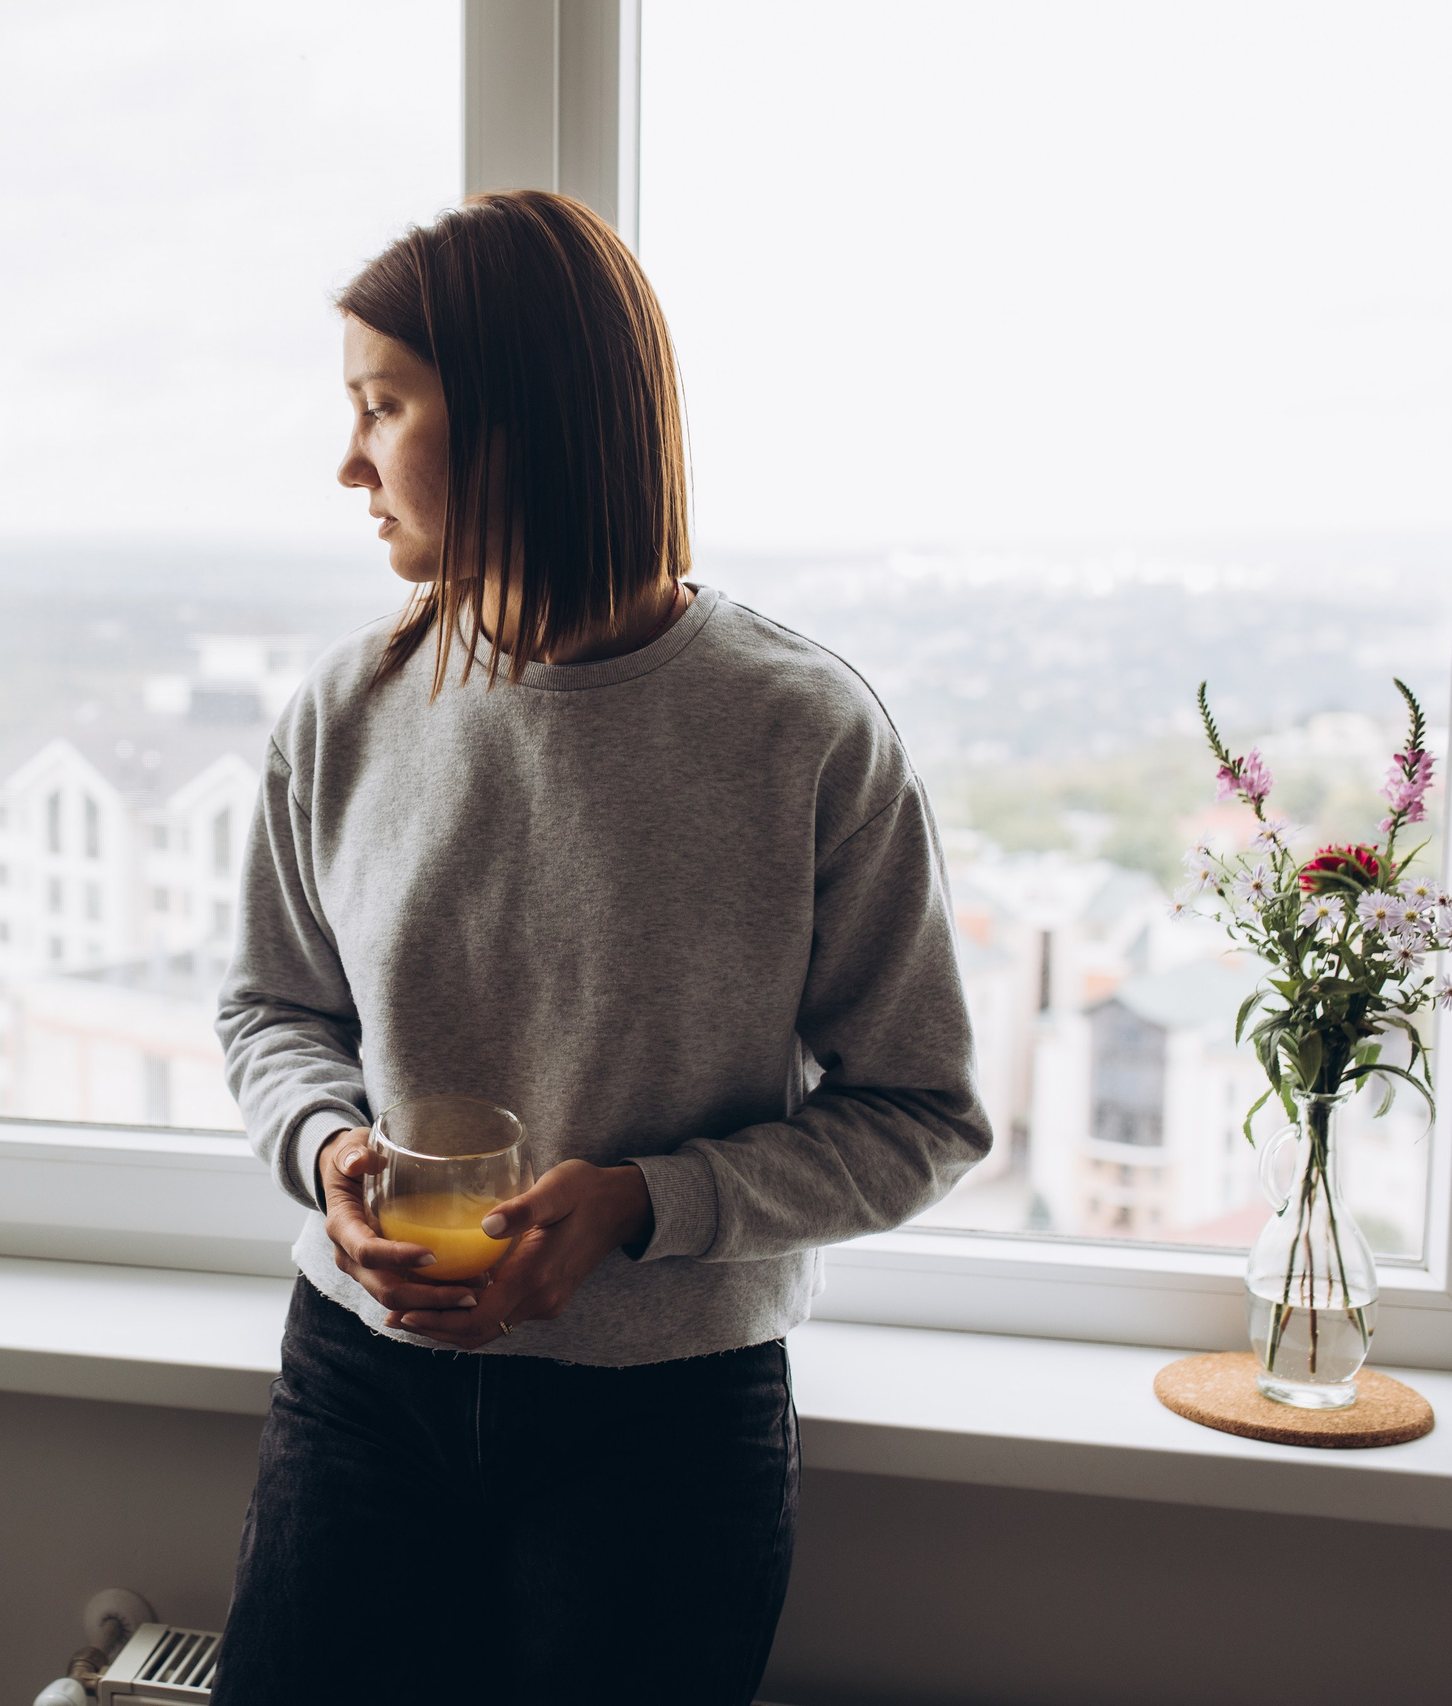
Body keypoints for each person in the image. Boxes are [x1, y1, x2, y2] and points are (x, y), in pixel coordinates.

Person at [210, 190, 990, 1705]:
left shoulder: (802, 733)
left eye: (383, 408)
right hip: (364, 1390)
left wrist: (646, 1204)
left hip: (667, 1427)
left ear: (512, 423)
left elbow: (923, 1110)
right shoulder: (343, 713)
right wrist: (326, 1153)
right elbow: (271, 1009)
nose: (349, 460)